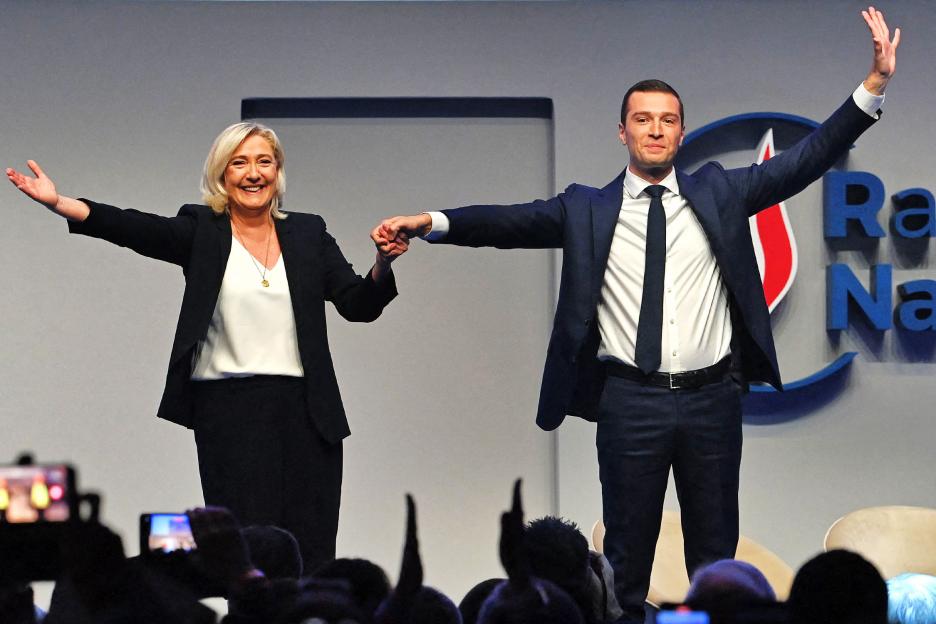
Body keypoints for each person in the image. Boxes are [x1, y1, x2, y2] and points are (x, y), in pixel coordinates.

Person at [372, 8, 899, 620]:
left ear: (681, 133)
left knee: (715, 561)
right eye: (643, 120)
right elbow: (506, 223)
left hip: (711, 399)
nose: (655, 130)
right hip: (628, 400)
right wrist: (430, 223)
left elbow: (804, 160)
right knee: (624, 562)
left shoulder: (720, 192)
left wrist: (874, 86)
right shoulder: (586, 209)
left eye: (667, 121)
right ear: (622, 132)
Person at [6, 122, 405, 571]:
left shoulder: (309, 233)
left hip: (308, 414)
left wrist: (382, 264)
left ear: (278, 172)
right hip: (230, 412)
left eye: (263, 161)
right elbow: (134, 227)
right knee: (248, 553)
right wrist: (61, 204)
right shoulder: (202, 230)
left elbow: (358, 304)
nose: (253, 173)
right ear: (222, 174)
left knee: (310, 554)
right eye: (240, 162)